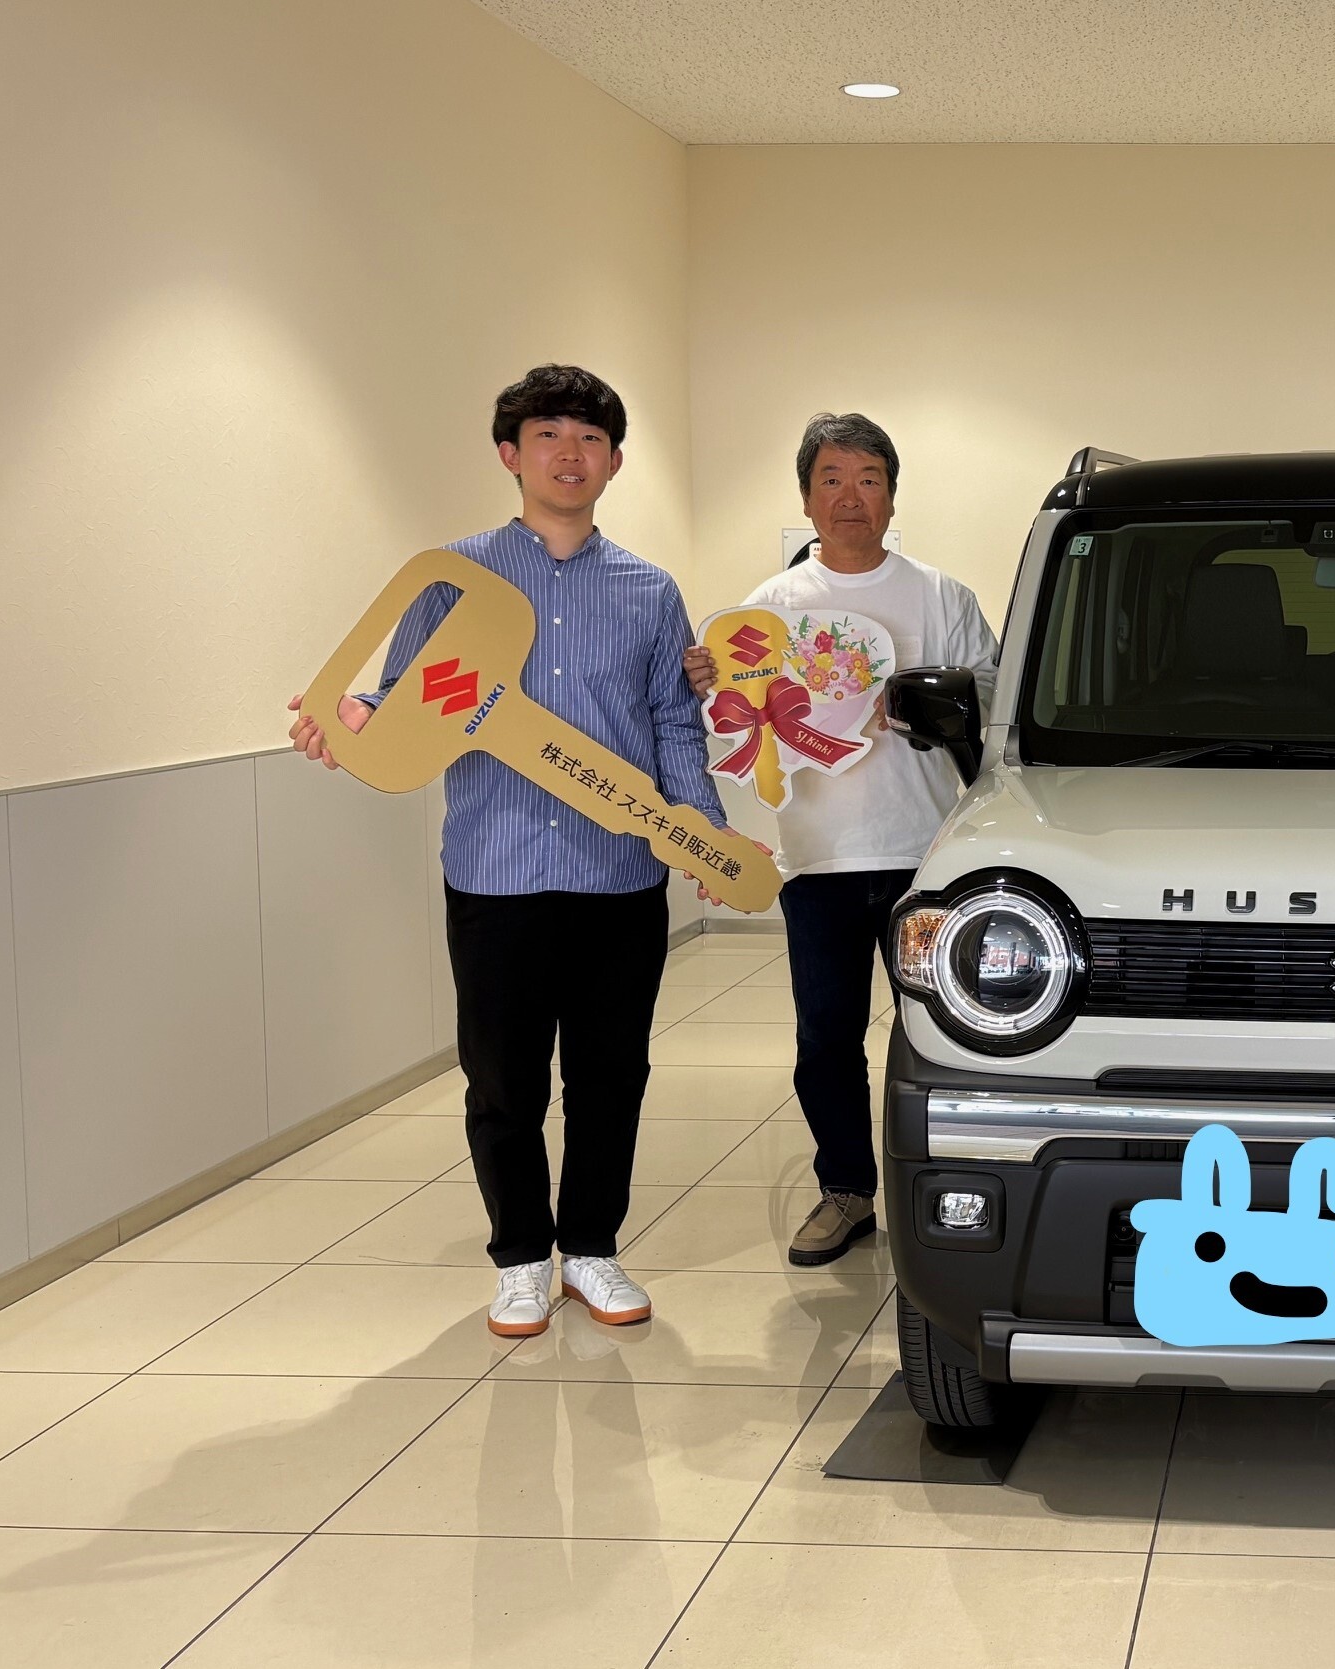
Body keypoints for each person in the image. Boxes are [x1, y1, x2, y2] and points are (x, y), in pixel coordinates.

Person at [289, 365, 729, 1339]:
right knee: (502, 1081)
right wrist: (351, 718)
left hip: (621, 874)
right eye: (548, 435)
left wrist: (702, 832)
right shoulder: (452, 579)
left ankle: (593, 1249)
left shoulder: (650, 590)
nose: (570, 453)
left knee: (611, 1075)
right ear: (509, 454)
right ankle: (522, 1258)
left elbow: (673, 722)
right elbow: (398, 700)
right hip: (496, 871)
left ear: (614, 461)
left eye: (590, 437)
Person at [685, 412, 998, 1266]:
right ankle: (847, 1190)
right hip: (817, 856)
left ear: (892, 495)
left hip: (927, 857)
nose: (850, 496)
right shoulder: (768, 607)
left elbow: (993, 698)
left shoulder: (941, 595)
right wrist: (704, 680)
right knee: (825, 1038)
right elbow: (730, 718)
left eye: (868, 478)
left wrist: (929, 700)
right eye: (831, 478)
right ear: (806, 497)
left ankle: (954, 1185)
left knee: (944, 1032)